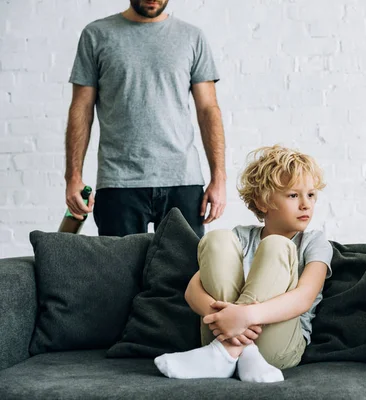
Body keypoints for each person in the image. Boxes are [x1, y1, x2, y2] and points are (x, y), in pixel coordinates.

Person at [154, 145, 333, 382]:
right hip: (221, 331)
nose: (306, 204)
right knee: (217, 238)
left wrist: (245, 316)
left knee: (278, 246)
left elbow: (304, 297)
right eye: (293, 195)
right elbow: (192, 290)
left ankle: (226, 353)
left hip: (277, 345)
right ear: (263, 202)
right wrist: (225, 319)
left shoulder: (314, 242)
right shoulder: (240, 237)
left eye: (310, 195)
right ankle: (234, 352)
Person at [64, 0, 226, 238]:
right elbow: (81, 108)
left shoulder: (191, 37)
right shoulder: (96, 34)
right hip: (118, 182)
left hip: (182, 179)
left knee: (186, 273)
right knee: (119, 273)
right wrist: (73, 176)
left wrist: (219, 177)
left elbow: (208, 110)